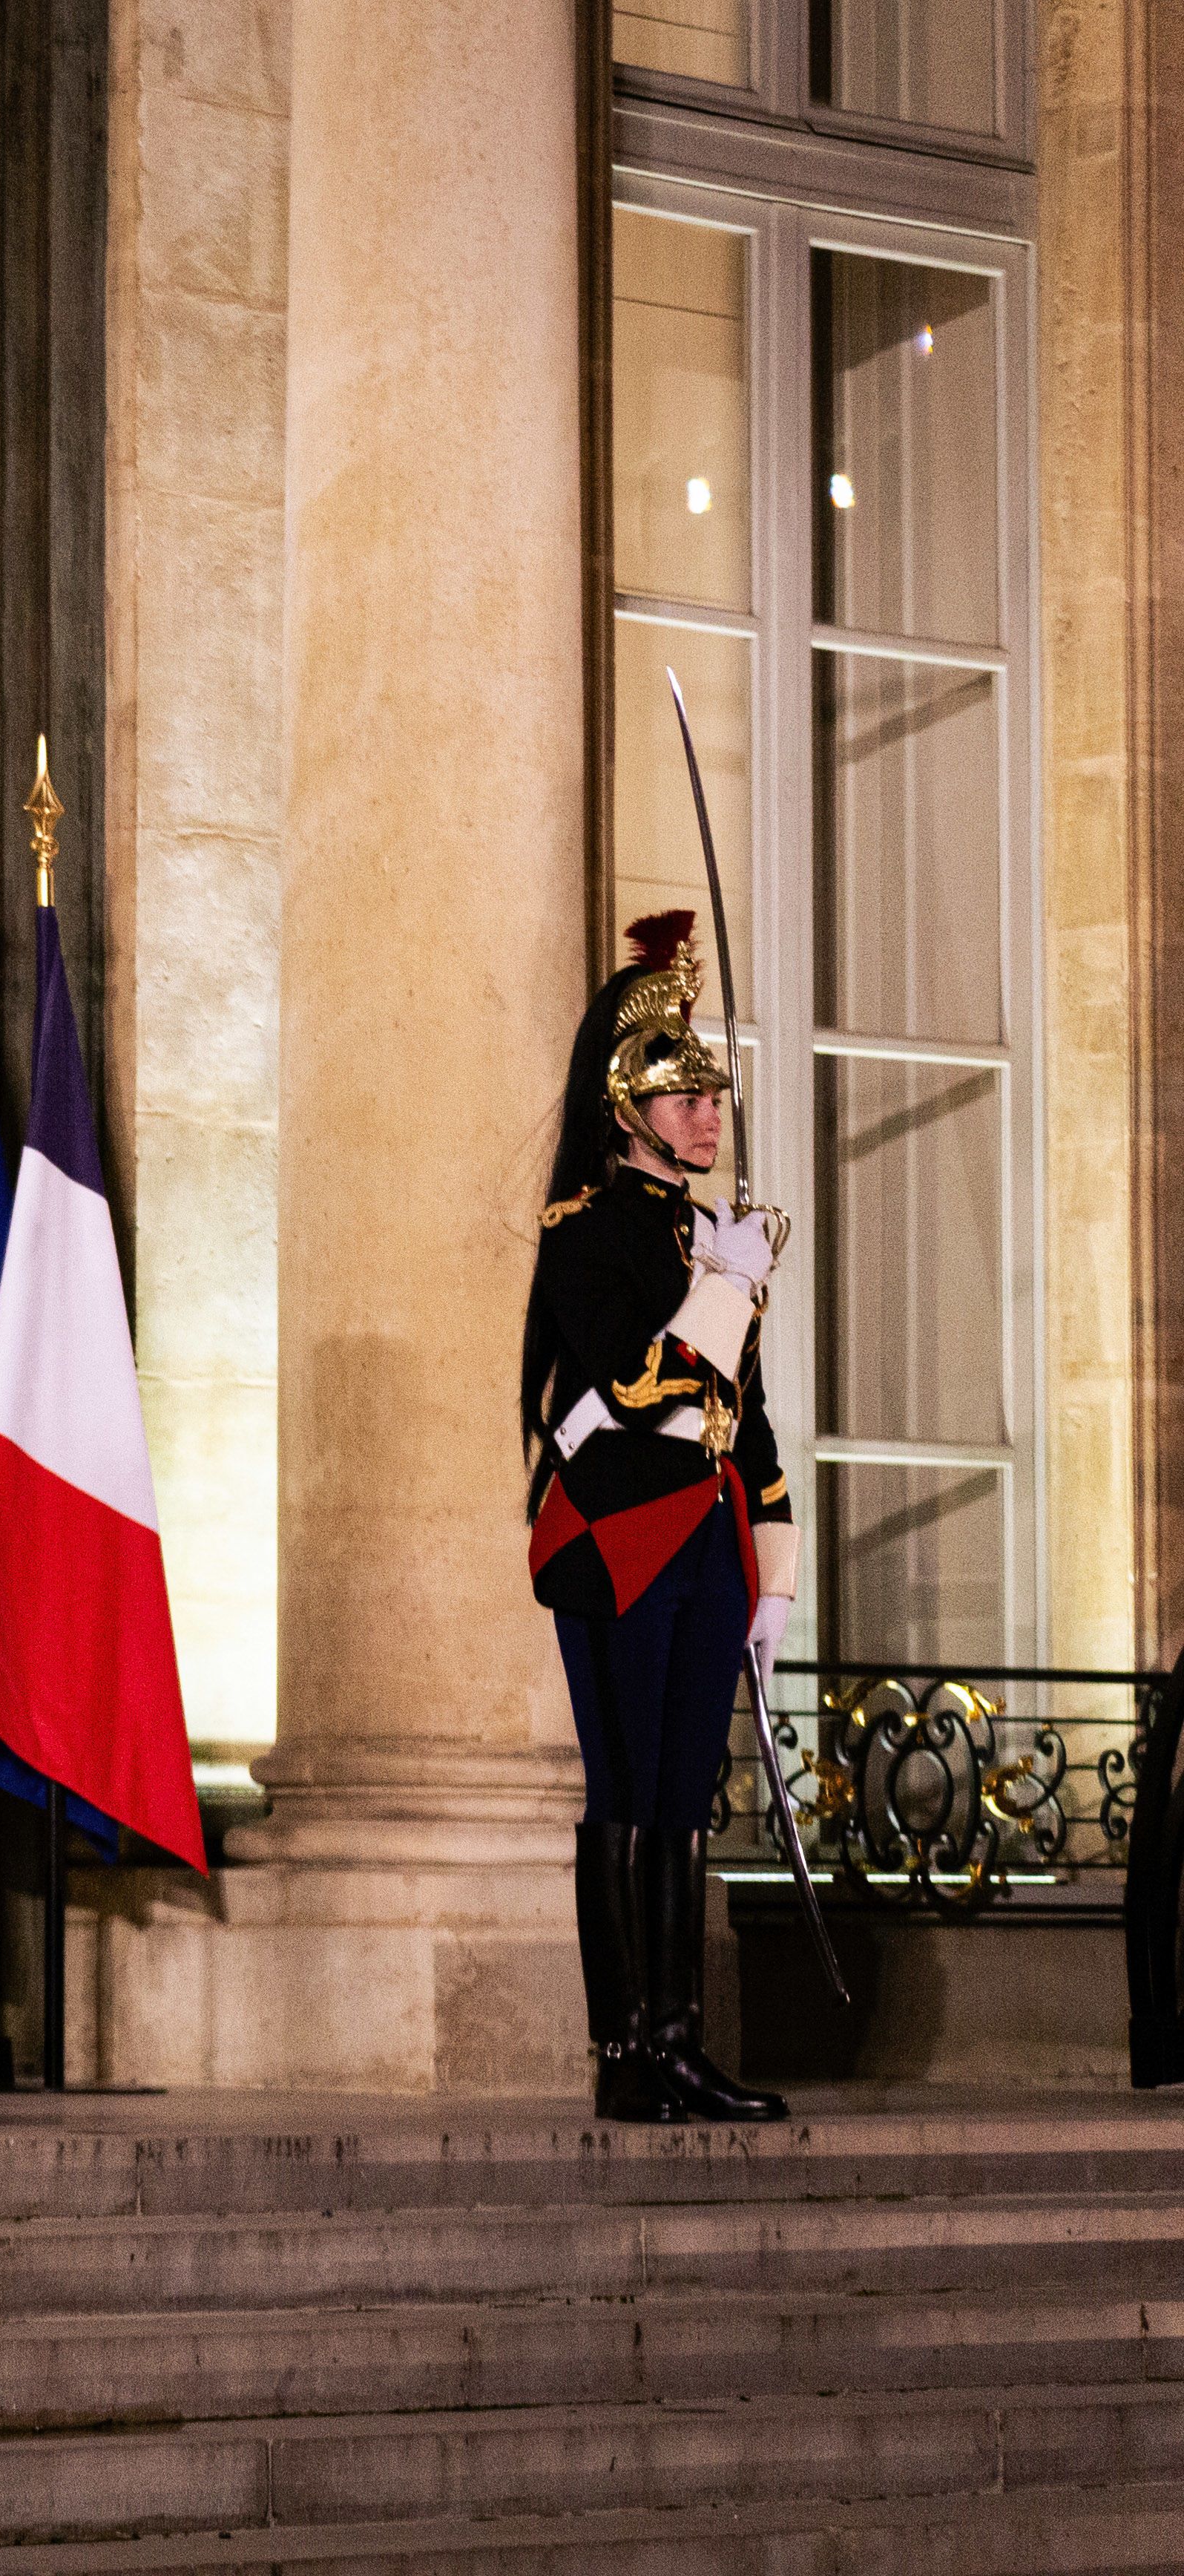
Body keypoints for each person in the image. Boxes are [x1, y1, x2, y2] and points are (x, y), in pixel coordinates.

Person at [523, 908, 792, 2126]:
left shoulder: (707, 1234)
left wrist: (774, 1576)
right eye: (684, 1095)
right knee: (626, 1790)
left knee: (690, 1795)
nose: (708, 1113)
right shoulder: (587, 1234)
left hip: (708, 1547)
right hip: (617, 1541)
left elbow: (752, 1418)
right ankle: (624, 2054)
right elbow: (635, 1383)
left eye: (713, 1095)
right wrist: (727, 1291)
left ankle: (679, 2041)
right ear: (627, 1103)